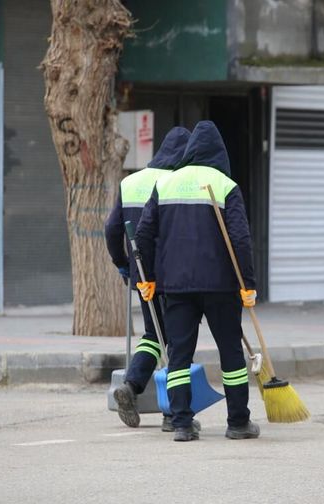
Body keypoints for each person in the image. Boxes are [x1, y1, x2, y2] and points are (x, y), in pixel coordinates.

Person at [134, 120, 259, 442]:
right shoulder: (225, 185)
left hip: (175, 287)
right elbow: (241, 240)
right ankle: (238, 423)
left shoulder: (166, 184)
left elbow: (144, 234)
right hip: (221, 286)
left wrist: (144, 278)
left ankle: (181, 424)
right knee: (231, 352)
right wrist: (248, 283)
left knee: (179, 356)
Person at [104, 126, 191, 431]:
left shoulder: (131, 182)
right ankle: (172, 413)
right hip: (170, 273)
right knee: (175, 337)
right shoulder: (175, 182)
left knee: (155, 333)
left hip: (141, 272)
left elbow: (112, 228)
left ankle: (132, 387)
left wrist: (122, 262)